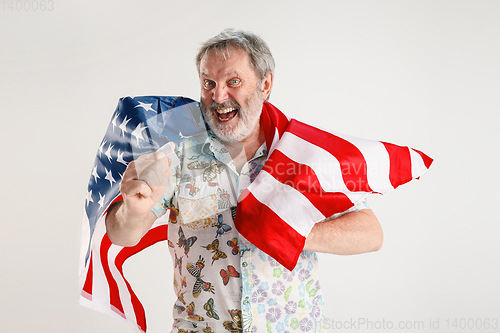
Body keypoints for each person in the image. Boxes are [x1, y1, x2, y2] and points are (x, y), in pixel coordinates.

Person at [105, 28, 383, 333]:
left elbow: (371, 233)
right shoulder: (177, 154)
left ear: (265, 84)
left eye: (233, 82)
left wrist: (290, 232)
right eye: (209, 83)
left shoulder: (299, 155)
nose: (218, 96)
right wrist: (133, 208)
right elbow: (123, 235)